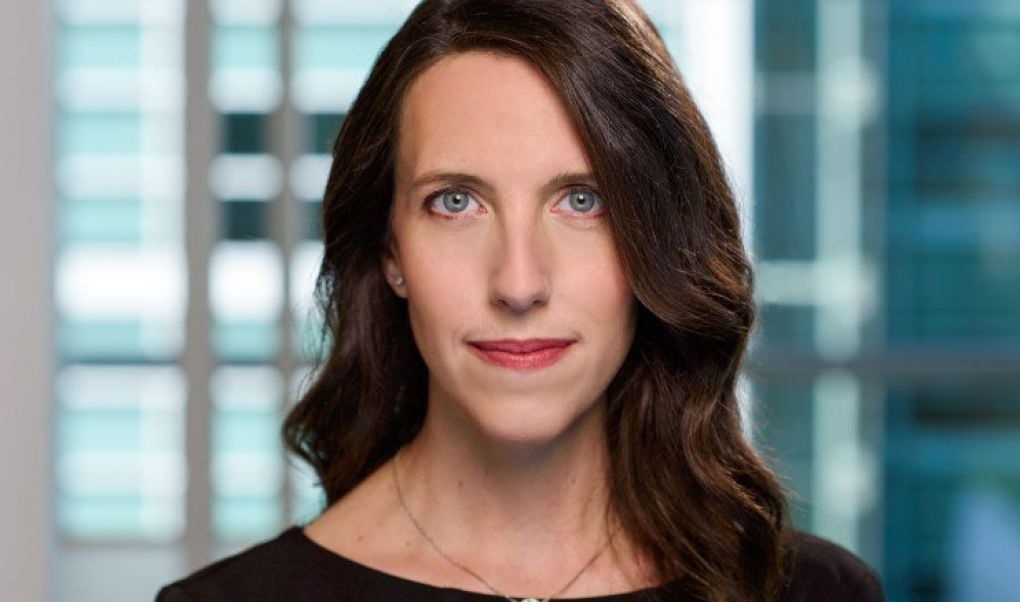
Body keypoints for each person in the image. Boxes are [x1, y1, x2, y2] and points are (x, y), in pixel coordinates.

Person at [157, 0, 885, 600]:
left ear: (657, 240)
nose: (518, 283)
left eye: (582, 200)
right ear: (390, 252)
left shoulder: (813, 593)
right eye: (454, 201)